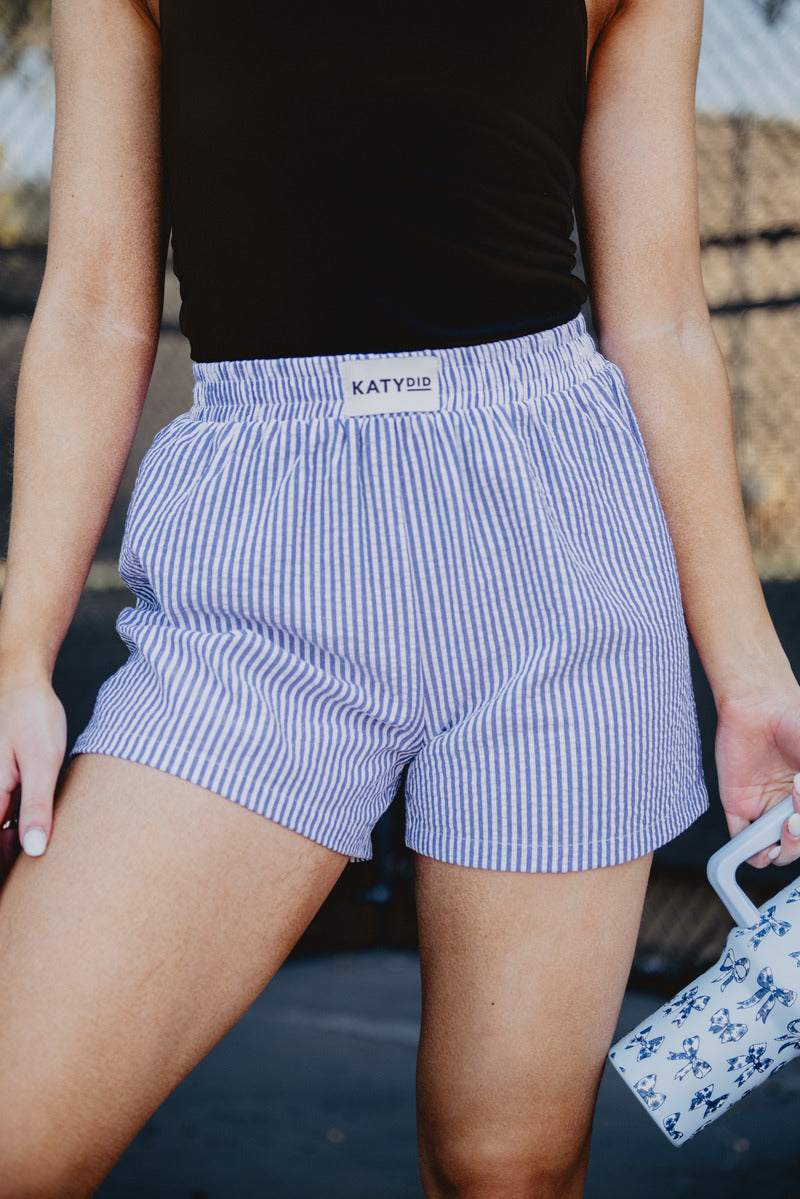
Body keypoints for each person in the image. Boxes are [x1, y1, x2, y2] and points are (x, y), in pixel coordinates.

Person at [1, 0, 799, 1194]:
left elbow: (664, 316)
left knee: (507, 1164)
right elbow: (94, 304)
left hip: (558, 555)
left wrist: (748, 672)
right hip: (261, 557)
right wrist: (21, 653)